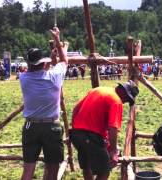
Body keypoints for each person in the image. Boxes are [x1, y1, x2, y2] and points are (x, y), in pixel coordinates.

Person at [19, 27, 68, 180]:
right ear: (43, 62)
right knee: (52, 169)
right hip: (51, 127)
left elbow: (37, 71)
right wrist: (58, 42)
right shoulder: (54, 77)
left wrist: (49, 61)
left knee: (28, 170)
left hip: (30, 126)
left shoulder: (23, 78)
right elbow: (64, 61)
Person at [70, 80, 139, 180]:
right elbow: (113, 128)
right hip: (91, 136)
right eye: (127, 99)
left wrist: (75, 128)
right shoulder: (116, 101)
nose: (125, 101)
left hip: (77, 135)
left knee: (87, 165)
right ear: (124, 93)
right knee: (105, 170)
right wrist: (113, 152)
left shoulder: (98, 90)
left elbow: (75, 109)